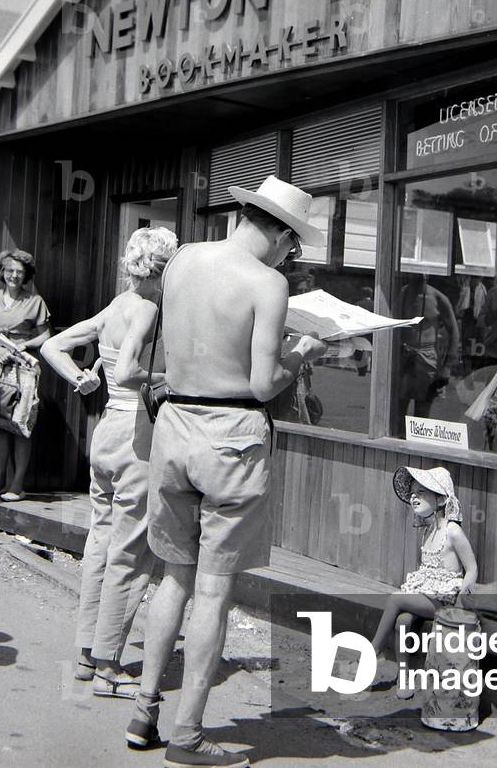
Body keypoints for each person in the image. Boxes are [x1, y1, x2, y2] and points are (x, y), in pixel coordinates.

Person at [126, 175, 327, 768]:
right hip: (232, 437)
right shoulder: (269, 283)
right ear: (284, 236)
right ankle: (187, 734)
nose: (292, 254)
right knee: (213, 591)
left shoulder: (183, 258)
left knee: (173, 578)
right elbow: (265, 383)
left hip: (175, 428)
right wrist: (305, 352)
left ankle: (144, 710)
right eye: (294, 245)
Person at [40, 227, 177, 697]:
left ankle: (85, 654)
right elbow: (127, 372)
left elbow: (50, 345)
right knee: (131, 550)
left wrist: (80, 377)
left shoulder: (115, 306)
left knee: (99, 543)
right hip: (137, 433)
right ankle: (108, 666)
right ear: (163, 269)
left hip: (105, 431)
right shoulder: (149, 308)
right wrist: (173, 375)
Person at [357, 467, 478, 720]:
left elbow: (472, 568)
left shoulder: (452, 531)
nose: (414, 497)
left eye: (421, 493)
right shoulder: (426, 532)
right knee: (402, 621)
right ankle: (404, 676)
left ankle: (373, 651)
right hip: (427, 595)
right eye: (412, 493)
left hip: (446, 599)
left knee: (395, 598)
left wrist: (464, 590)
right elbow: (427, 572)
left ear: (441, 499)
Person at [0, 250, 52, 502]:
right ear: (2, 272)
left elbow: (45, 336)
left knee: (19, 424)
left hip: (22, 369)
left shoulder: (34, 302)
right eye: (9, 271)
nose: (14, 276)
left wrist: (23, 347)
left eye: (19, 271)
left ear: (26, 274)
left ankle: (16, 485)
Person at [398, 274, 460, 418]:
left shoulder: (439, 298)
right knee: (398, 410)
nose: (422, 275)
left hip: (427, 359)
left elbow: (454, 332)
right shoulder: (402, 294)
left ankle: (417, 439)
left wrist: (447, 367)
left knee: (422, 411)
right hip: (404, 356)